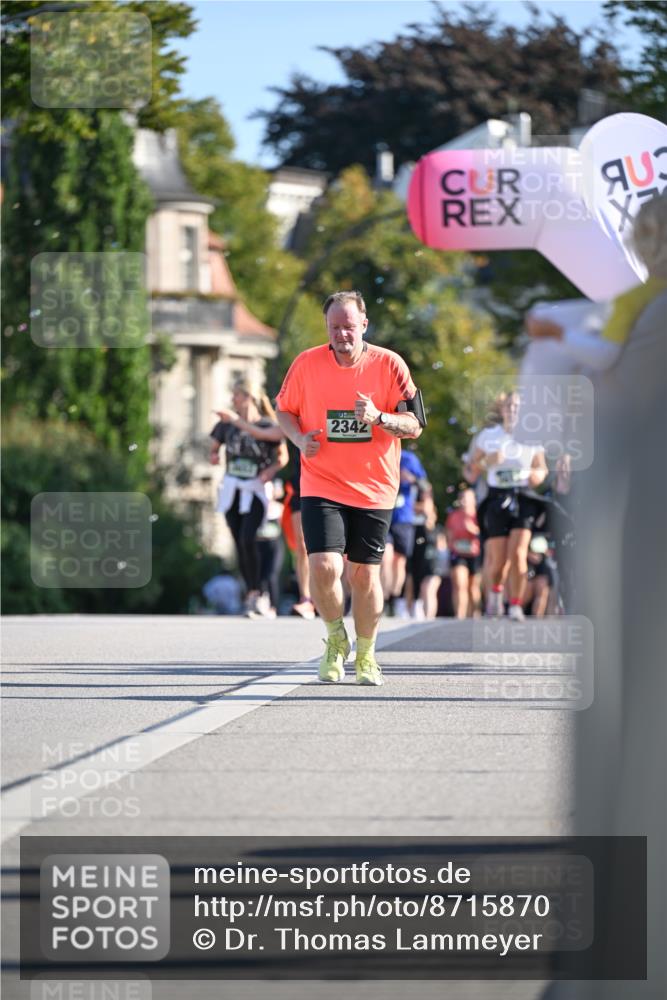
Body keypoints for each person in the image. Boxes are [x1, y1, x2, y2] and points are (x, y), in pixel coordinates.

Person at [275, 290, 425, 686]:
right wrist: (297, 438)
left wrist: (378, 417)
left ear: (364, 325)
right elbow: (284, 409)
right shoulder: (306, 364)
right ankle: (335, 638)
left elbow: (415, 426)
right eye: (334, 327)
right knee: (324, 565)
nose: (342, 334)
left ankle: (367, 654)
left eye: (348, 326)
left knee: (363, 576)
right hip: (321, 481)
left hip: (374, 487)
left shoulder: (389, 364)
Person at [210, 378, 288, 617]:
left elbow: (282, 455)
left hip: (255, 490)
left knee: (248, 538)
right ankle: (252, 592)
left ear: (249, 397)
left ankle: (257, 593)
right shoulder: (226, 425)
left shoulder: (266, 424)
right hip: (232, 489)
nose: (233, 399)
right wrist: (213, 454)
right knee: (238, 542)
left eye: (236, 395)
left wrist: (271, 470)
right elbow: (214, 445)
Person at [469, 391, 548, 620]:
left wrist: (537, 476)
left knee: (519, 554)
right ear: (503, 409)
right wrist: (487, 461)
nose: (514, 410)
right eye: (510, 406)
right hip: (497, 498)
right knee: (498, 563)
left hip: (523, 497)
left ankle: (515, 605)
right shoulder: (489, 436)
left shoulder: (534, 437)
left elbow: (541, 467)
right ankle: (495, 594)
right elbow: (473, 466)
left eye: (518, 407)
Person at [382, 447, 428, 617]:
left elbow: (425, 485)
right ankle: (384, 600)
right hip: (383, 514)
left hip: (404, 517)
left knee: (399, 562)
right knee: (385, 558)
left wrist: (412, 478)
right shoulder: (378, 451)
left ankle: (396, 598)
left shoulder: (409, 458)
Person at [446, 488, 482, 619]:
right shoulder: (454, 516)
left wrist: (472, 530)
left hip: (475, 555)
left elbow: (485, 535)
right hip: (458, 554)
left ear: (473, 500)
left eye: (466, 498)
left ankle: (475, 614)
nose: (463, 501)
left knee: (473, 588)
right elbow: (449, 536)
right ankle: (459, 615)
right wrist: (453, 545)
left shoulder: (478, 516)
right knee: (460, 584)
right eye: (462, 498)